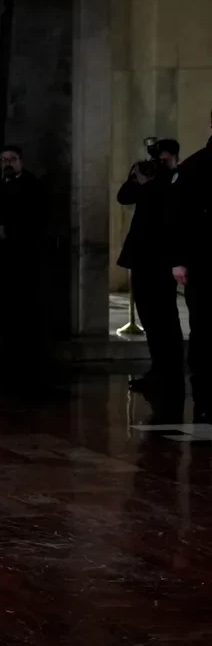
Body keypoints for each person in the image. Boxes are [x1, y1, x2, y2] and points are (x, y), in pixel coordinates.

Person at [117, 139, 182, 400]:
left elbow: (166, 208)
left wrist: (149, 182)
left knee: (165, 318)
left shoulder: (176, 179)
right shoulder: (150, 180)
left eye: (162, 161)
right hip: (143, 257)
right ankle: (159, 370)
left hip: (162, 259)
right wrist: (134, 178)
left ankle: (171, 373)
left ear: (174, 158)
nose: (158, 165)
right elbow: (124, 197)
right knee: (149, 317)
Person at [0, 145, 49, 388]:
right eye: (3, 159)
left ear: (21, 161)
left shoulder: (33, 186)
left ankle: (27, 367)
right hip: (4, 259)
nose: (7, 163)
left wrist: (9, 230)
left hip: (26, 258)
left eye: (11, 159)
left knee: (25, 312)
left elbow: (38, 218)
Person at [172, 109, 212, 423]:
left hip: (201, 261)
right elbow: (180, 219)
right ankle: (204, 394)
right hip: (203, 261)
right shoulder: (195, 166)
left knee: (203, 327)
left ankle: (204, 394)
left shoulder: (192, 165)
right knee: (203, 328)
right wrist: (178, 260)